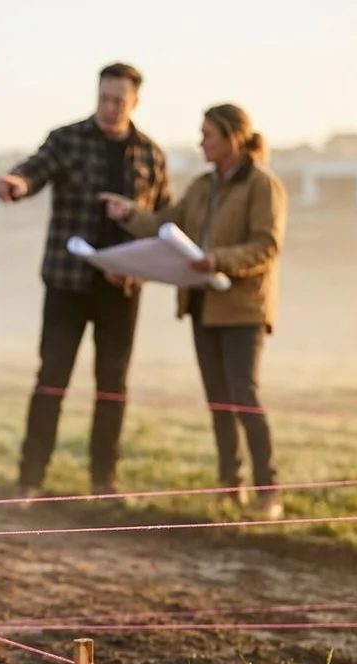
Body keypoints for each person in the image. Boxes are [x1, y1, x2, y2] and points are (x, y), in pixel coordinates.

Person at [99, 103, 288, 520]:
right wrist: (130, 215)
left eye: (209, 135)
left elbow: (265, 246)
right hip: (201, 307)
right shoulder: (203, 186)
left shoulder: (262, 185)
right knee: (218, 401)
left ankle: (268, 491)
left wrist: (218, 259)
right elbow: (169, 225)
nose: (201, 142)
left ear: (233, 137)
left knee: (244, 396)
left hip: (242, 308)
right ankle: (228, 486)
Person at [0, 62, 171, 501]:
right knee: (51, 380)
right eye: (104, 99)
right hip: (67, 284)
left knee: (113, 387)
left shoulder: (152, 154)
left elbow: (163, 220)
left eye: (119, 101)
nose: (109, 108)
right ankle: (30, 482)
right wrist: (17, 184)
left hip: (121, 289)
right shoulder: (67, 139)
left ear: (135, 102)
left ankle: (102, 485)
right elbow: (35, 170)